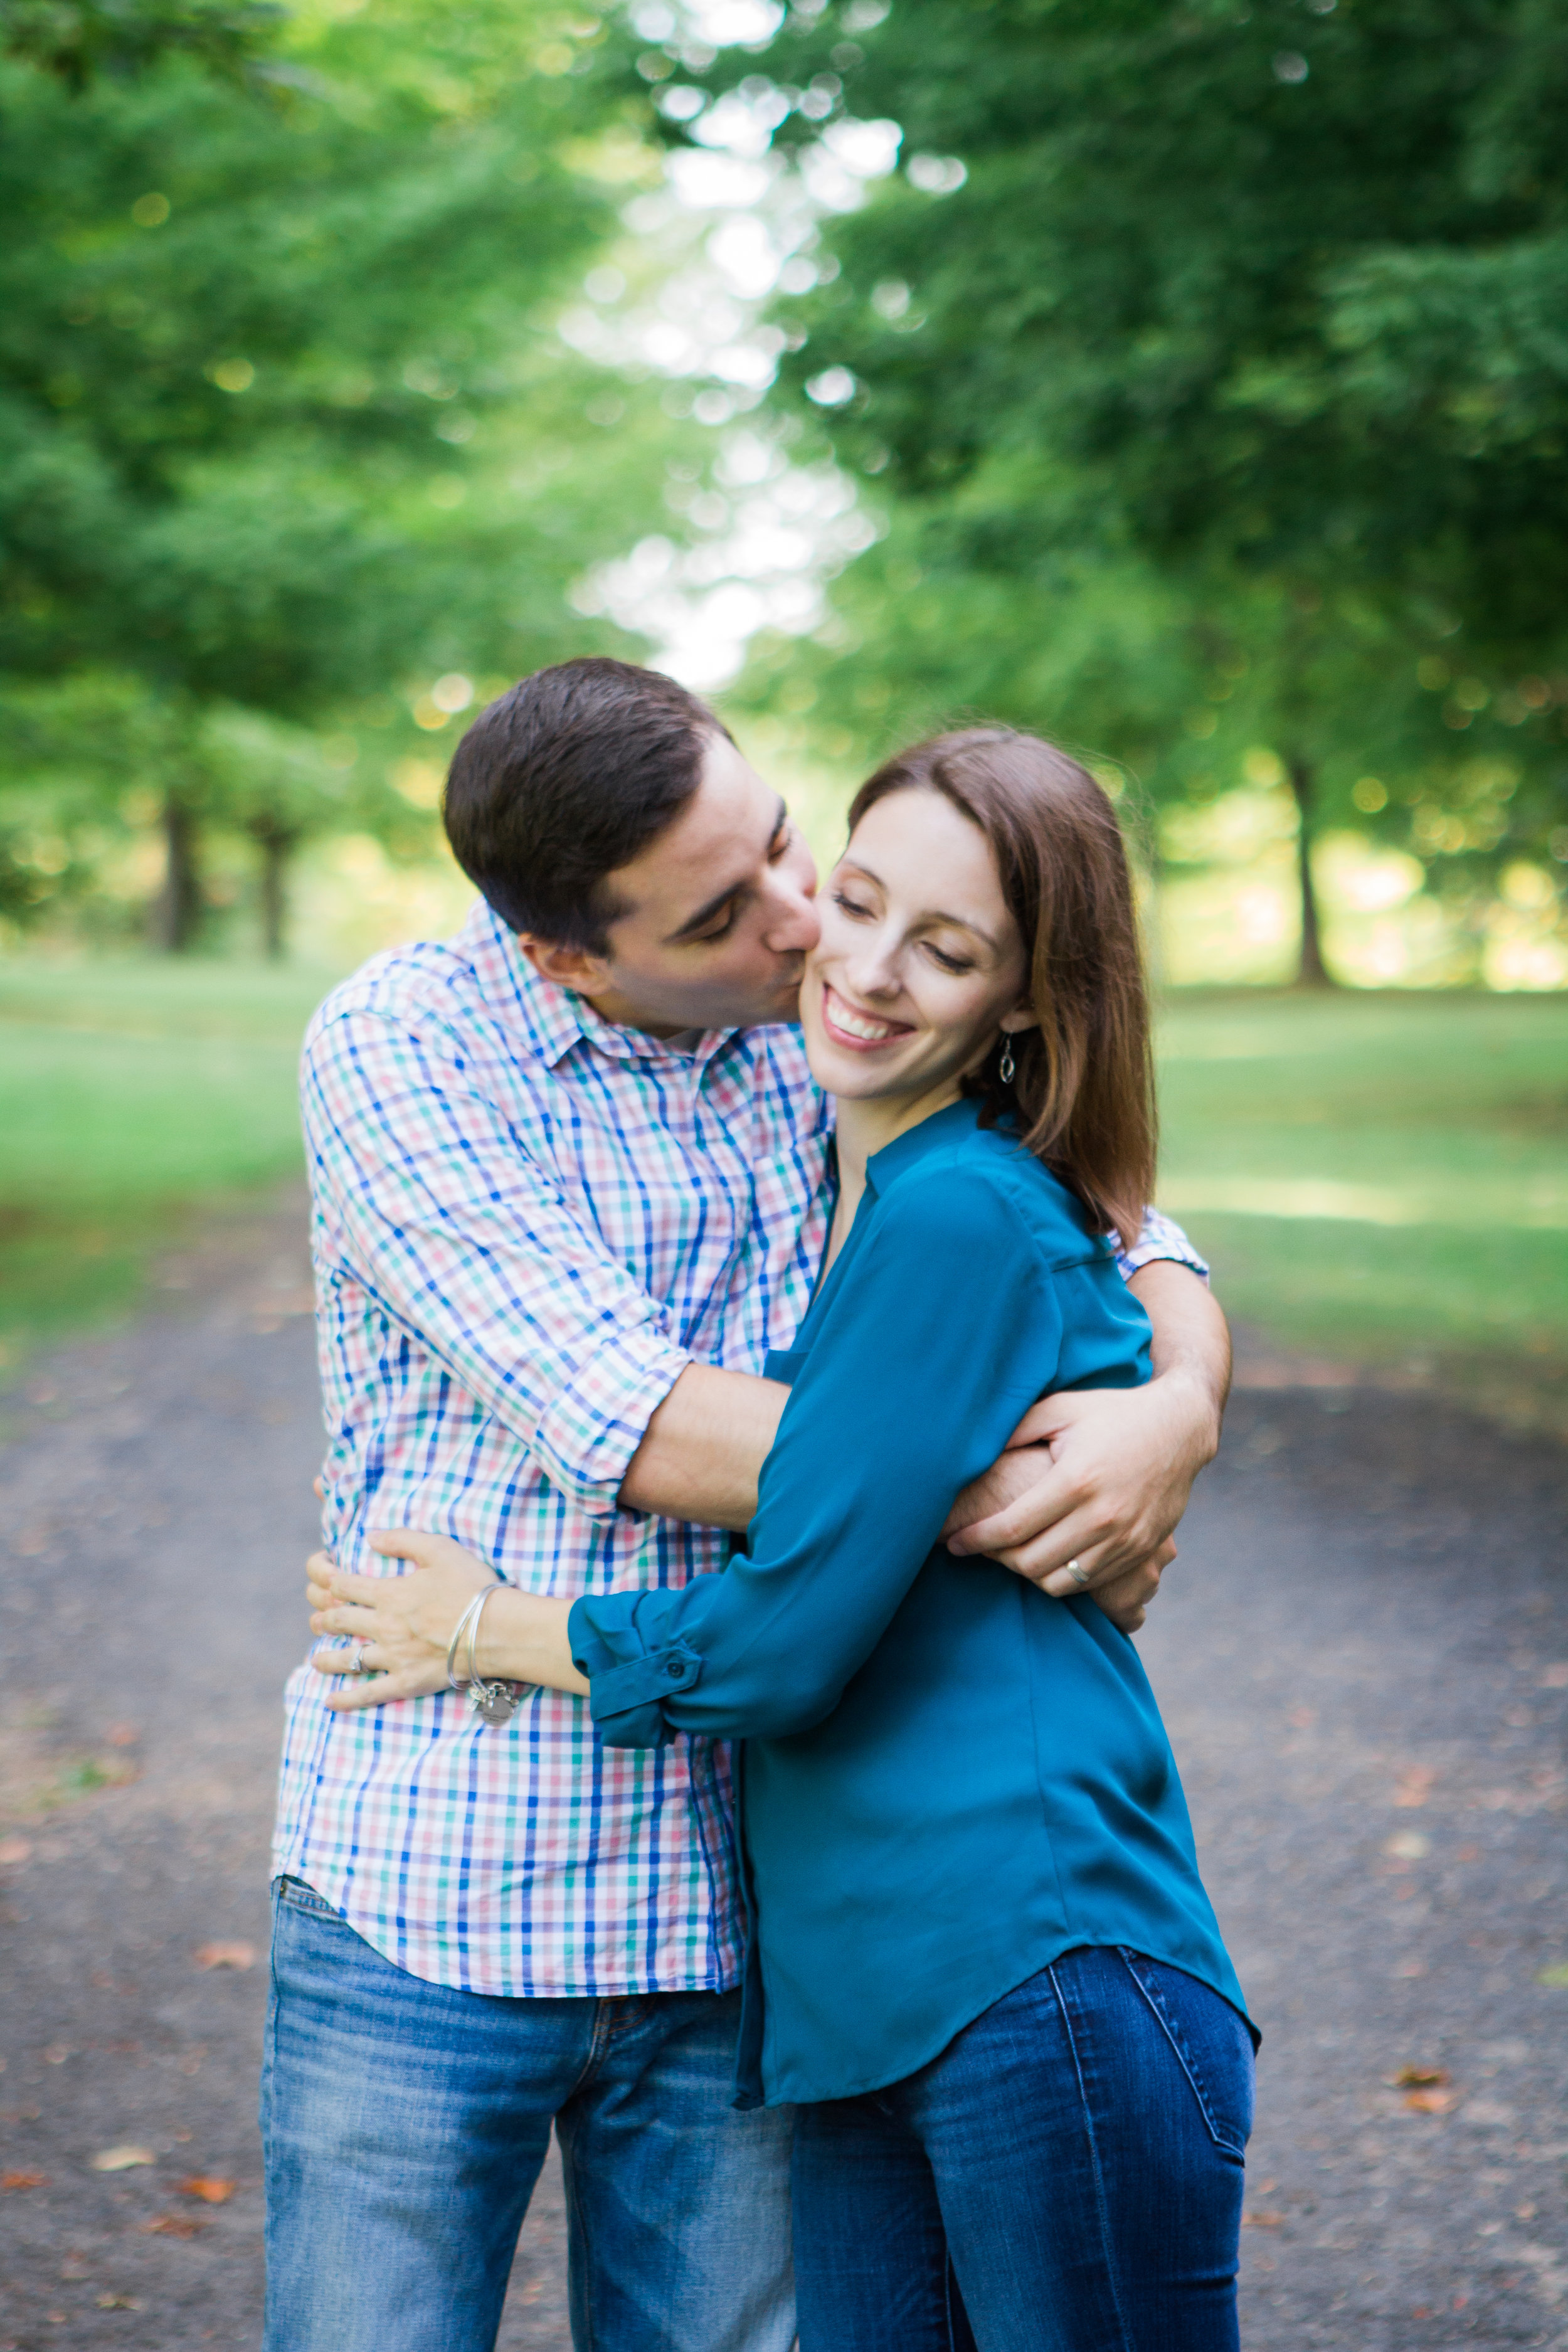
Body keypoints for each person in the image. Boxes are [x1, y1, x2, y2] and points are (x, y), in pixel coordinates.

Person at [275, 663, 1231, 2352]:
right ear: (567, 953)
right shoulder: (410, 1045)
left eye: (794, 848)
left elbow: (1112, 1228)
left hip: (738, 1920)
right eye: (734, 908)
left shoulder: (833, 1032)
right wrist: (959, 1477)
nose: (807, 928)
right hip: (448, 1876)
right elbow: (627, 1423)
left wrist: (1173, 1407)